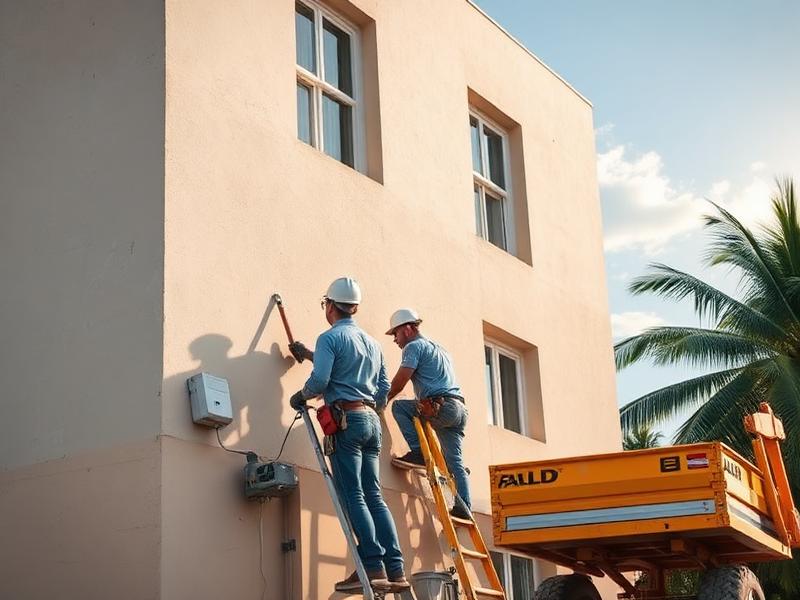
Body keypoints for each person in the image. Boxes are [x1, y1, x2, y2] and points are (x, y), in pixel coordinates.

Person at [288, 277, 409, 594]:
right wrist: (311, 355)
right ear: (353, 307)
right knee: (374, 496)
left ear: (330, 306)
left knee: (354, 495)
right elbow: (382, 389)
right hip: (370, 419)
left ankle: (371, 566)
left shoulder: (330, 338)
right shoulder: (372, 344)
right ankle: (395, 569)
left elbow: (322, 379)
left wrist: (301, 396)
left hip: (347, 422)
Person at [384, 309, 472, 519]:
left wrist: (383, 399)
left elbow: (400, 381)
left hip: (440, 406)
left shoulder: (413, 347)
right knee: (454, 461)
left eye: (395, 334)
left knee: (400, 407)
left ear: (408, 328)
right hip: (458, 410)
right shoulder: (440, 349)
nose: (395, 340)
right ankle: (465, 508)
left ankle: (419, 454)